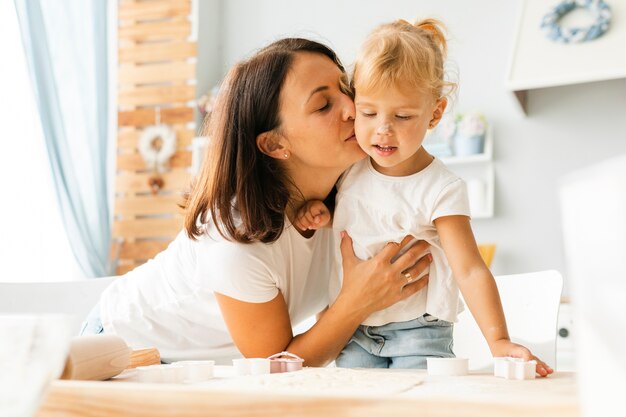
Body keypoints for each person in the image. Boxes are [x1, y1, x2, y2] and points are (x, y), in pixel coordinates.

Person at [83, 38, 433, 366]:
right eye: (324, 105)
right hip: (121, 349)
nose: (352, 109)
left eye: (347, 88)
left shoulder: (352, 190)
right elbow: (276, 366)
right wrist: (357, 302)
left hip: (207, 365)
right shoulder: (235, 237)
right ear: (275, 145)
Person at [294, 19, 553, 376]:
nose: (383, 129)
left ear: (435, 113)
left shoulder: (441, 189)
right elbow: (348, 214)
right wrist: (318, 211)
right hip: (350, 331)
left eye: (402, 116)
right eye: (368, 113)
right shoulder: (349, 169)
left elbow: (470, 269)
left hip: (418, 331)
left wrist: (499, 342)